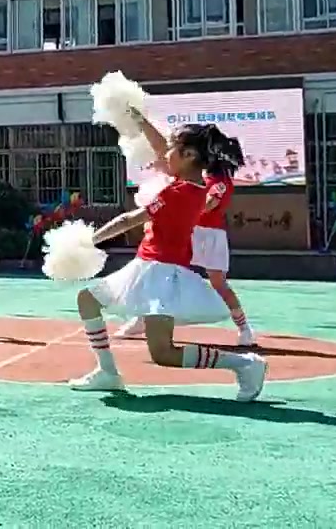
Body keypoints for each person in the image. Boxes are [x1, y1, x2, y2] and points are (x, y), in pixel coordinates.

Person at [67, 110, 267, 401]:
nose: (164, 153)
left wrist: (89, 240)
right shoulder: (195, 185)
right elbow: (162, 149)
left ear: (187, 154)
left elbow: (129, 220)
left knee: (163, 353)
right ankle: (107, 373)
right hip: (150, 267)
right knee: (87, 299)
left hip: (159, 273)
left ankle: (244, 364)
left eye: (172, 148)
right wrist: (139, 120)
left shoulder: (179, 192)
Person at [117, 158, 257, 345]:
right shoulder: (192, 177)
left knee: (219, 283)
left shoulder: (220, 181)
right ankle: (143, 318)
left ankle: (244, 329)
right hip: (188, 230)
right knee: (161, 274)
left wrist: (181, 206)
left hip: (210, 235)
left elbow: (209, 204)